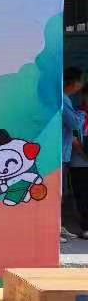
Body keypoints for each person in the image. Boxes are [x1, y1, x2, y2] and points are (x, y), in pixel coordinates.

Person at [63, 67, 85, 243]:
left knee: (62, 192)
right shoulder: (64, 100)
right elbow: (75, 123)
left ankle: (59, 225)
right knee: (60, 192)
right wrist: (82, 114)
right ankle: (56, 227)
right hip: (63, 154)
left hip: (65, 154)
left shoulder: (65, 99)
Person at [69, 85, 88, 239]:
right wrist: (84, 154)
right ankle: (86, 226)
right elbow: (73, 139)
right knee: (82, 196)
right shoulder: (77, 115)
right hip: (79, 163)